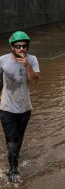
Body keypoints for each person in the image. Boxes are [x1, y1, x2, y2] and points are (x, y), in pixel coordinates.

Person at [0, 31, 40, 183]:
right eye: (18, 46)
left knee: (19, 137)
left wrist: (27, 65)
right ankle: (13, 169)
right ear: (12, 47)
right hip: (6, 107)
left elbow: (35, 80)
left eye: (24, 46)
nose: (21, 49)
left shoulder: (32, 60)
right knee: (11, 138)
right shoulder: (2, 60)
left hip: (25, 107)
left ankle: (15, 155)